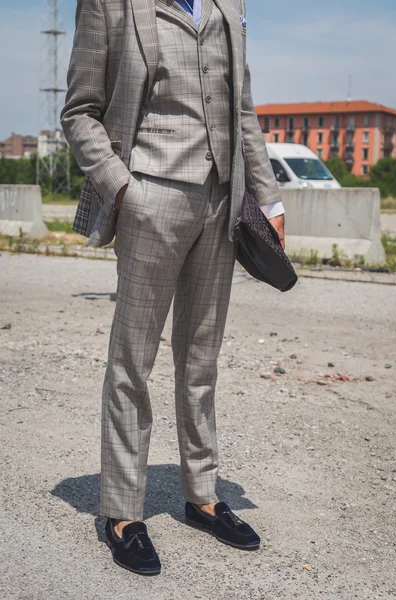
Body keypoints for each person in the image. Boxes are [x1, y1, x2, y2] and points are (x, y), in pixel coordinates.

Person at [61, 0, 285, 576]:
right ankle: (121, 512)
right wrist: (122, 191)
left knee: (201, 359)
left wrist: (268, 195)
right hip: (148, 197)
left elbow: (242, 110)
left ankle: (203, 494)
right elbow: (80, 112)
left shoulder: (227, 6)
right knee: (132, 361)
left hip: (223, 201)